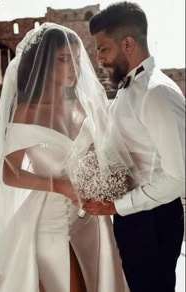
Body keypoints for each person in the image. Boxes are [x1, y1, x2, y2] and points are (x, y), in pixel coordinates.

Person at [0, 23, 128, 292]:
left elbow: (105, 154)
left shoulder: (84, 106)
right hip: (49, 219)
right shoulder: (27, 111)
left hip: (90, 217)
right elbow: (10, 173)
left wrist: (105, 181)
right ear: (42, 63)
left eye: (77, 59)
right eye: (64, 60)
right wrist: (60, 185)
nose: (74, 68)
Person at [83, 2, 185, 292]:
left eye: (103, 49)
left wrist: (117, 205)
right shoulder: (130, 89)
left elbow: (178, 176)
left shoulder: (157, 94)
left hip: (151, 220)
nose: (99, 58)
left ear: (127, 43)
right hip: (135, 217)